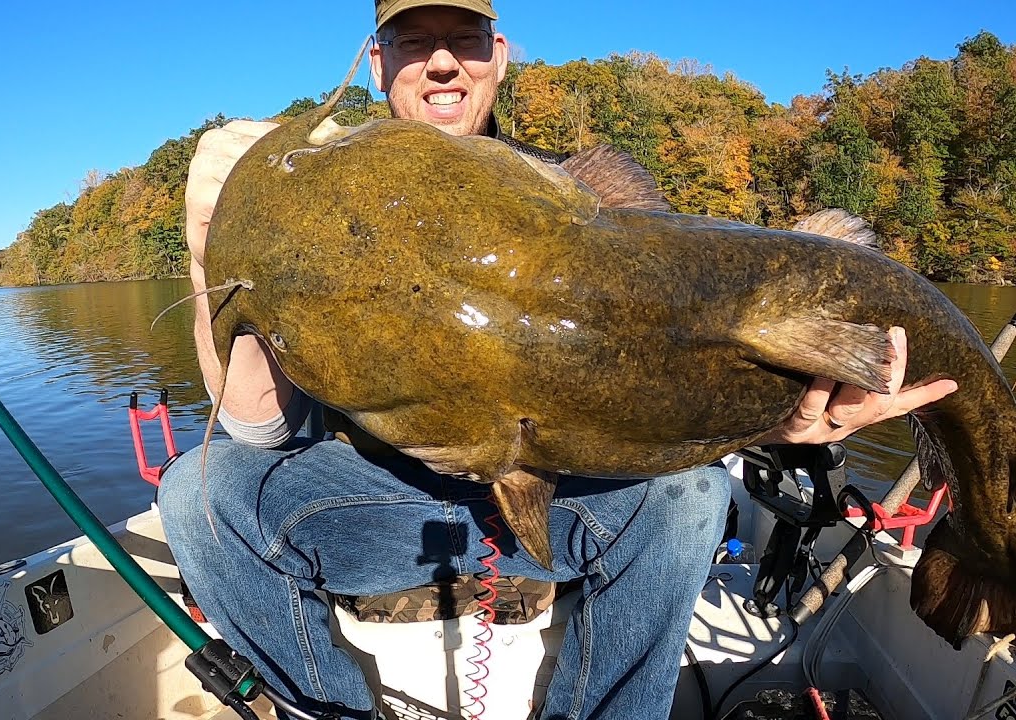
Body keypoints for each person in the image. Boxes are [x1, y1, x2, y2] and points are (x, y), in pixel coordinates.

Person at [159, 2, 959, 718]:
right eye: (413, 41)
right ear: (376, 63)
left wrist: (789, 423)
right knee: (199, 494)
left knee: (688, 495)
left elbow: (670, 369)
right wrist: (213, 259)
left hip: (573, 493)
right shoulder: (316, 214)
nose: (442, 62)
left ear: (498, 54)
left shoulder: (580, 192)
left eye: (464, 40)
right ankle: (325, 713)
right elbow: (259, 435)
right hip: (378, 503)